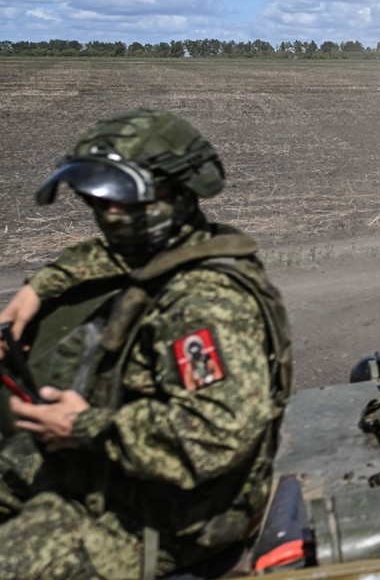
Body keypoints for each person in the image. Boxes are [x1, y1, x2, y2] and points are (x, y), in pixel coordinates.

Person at [0, 109, 293, 579]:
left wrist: (83, 427)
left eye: (126, 201)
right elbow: (110, 254)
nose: (109, 215)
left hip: (168, 521)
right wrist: (40, 288)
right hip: (127, 474)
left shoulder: (205, 306)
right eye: (97, 200)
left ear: (180, 194)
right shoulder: (174, 247)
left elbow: (212, 436)